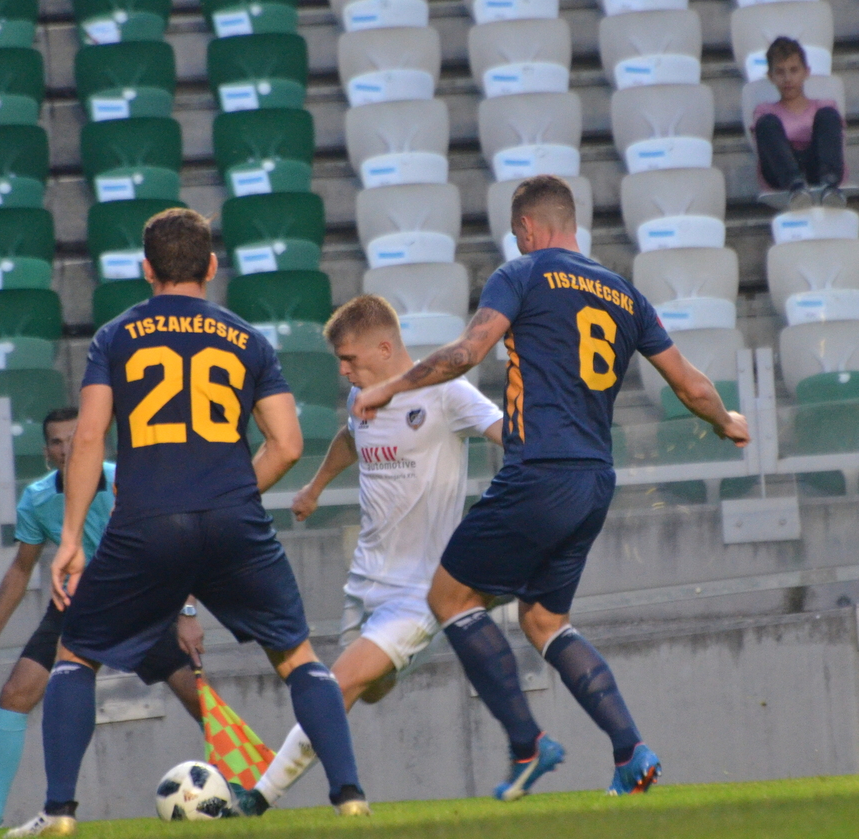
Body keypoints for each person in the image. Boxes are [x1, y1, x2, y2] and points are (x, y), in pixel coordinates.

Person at [353, 175, 750, 799]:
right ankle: (631, 751)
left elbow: (468, 351)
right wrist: (727, 421)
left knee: (449, 597)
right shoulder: (625, 294)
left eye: (517, 233)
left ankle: (526, 744)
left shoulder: (522, 274)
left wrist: (389, 386)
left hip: (539, 471)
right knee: (543, 618)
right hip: (594, 481)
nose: (517, 242)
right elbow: (691, 385)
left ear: (530, 228)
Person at [6, 207, 367, 838]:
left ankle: (59, 813)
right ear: (211, 266)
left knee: (77, 655)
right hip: (233, 522)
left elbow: (89, 436)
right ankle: (351, 801)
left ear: (146, 269)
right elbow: (285, 444)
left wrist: (69, 539)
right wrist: (225, 493)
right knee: (299, 658)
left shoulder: (116, 337)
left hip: (144, 523)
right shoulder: (248, 339)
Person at [235, 294, 503, 815]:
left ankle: (258, 797)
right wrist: (315, 486)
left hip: (420, 590)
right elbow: (350, 438)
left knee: (334, 686)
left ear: (384, 347)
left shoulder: (447, 393)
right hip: (363, 585)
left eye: (350, 359)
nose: (342, 370)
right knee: (362, 691)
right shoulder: (366, 402)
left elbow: (508, 435)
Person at [0, 408, 204, 832]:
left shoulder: (128, 483)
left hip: (140, 604)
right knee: (15, 693)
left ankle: (245, 787)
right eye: (57, 442)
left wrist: (187, 612)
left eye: (74, 439)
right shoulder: (38, 498)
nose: (66, 449)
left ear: (93, 441)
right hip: (75, 608)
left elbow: (178, 545)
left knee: (198, 695)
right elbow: (22, 569)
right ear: (47, 452)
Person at [752, 36, 847, 209]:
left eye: (794, 70)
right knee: (766, 123)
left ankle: (829, 186)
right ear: (770, 76)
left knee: (828, 115)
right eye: (780, 72)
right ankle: (796, 187)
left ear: (806, 72)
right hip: (781, 174)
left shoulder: (825, 106)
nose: (787, 78)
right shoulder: (765, 111)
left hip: (818, 166)